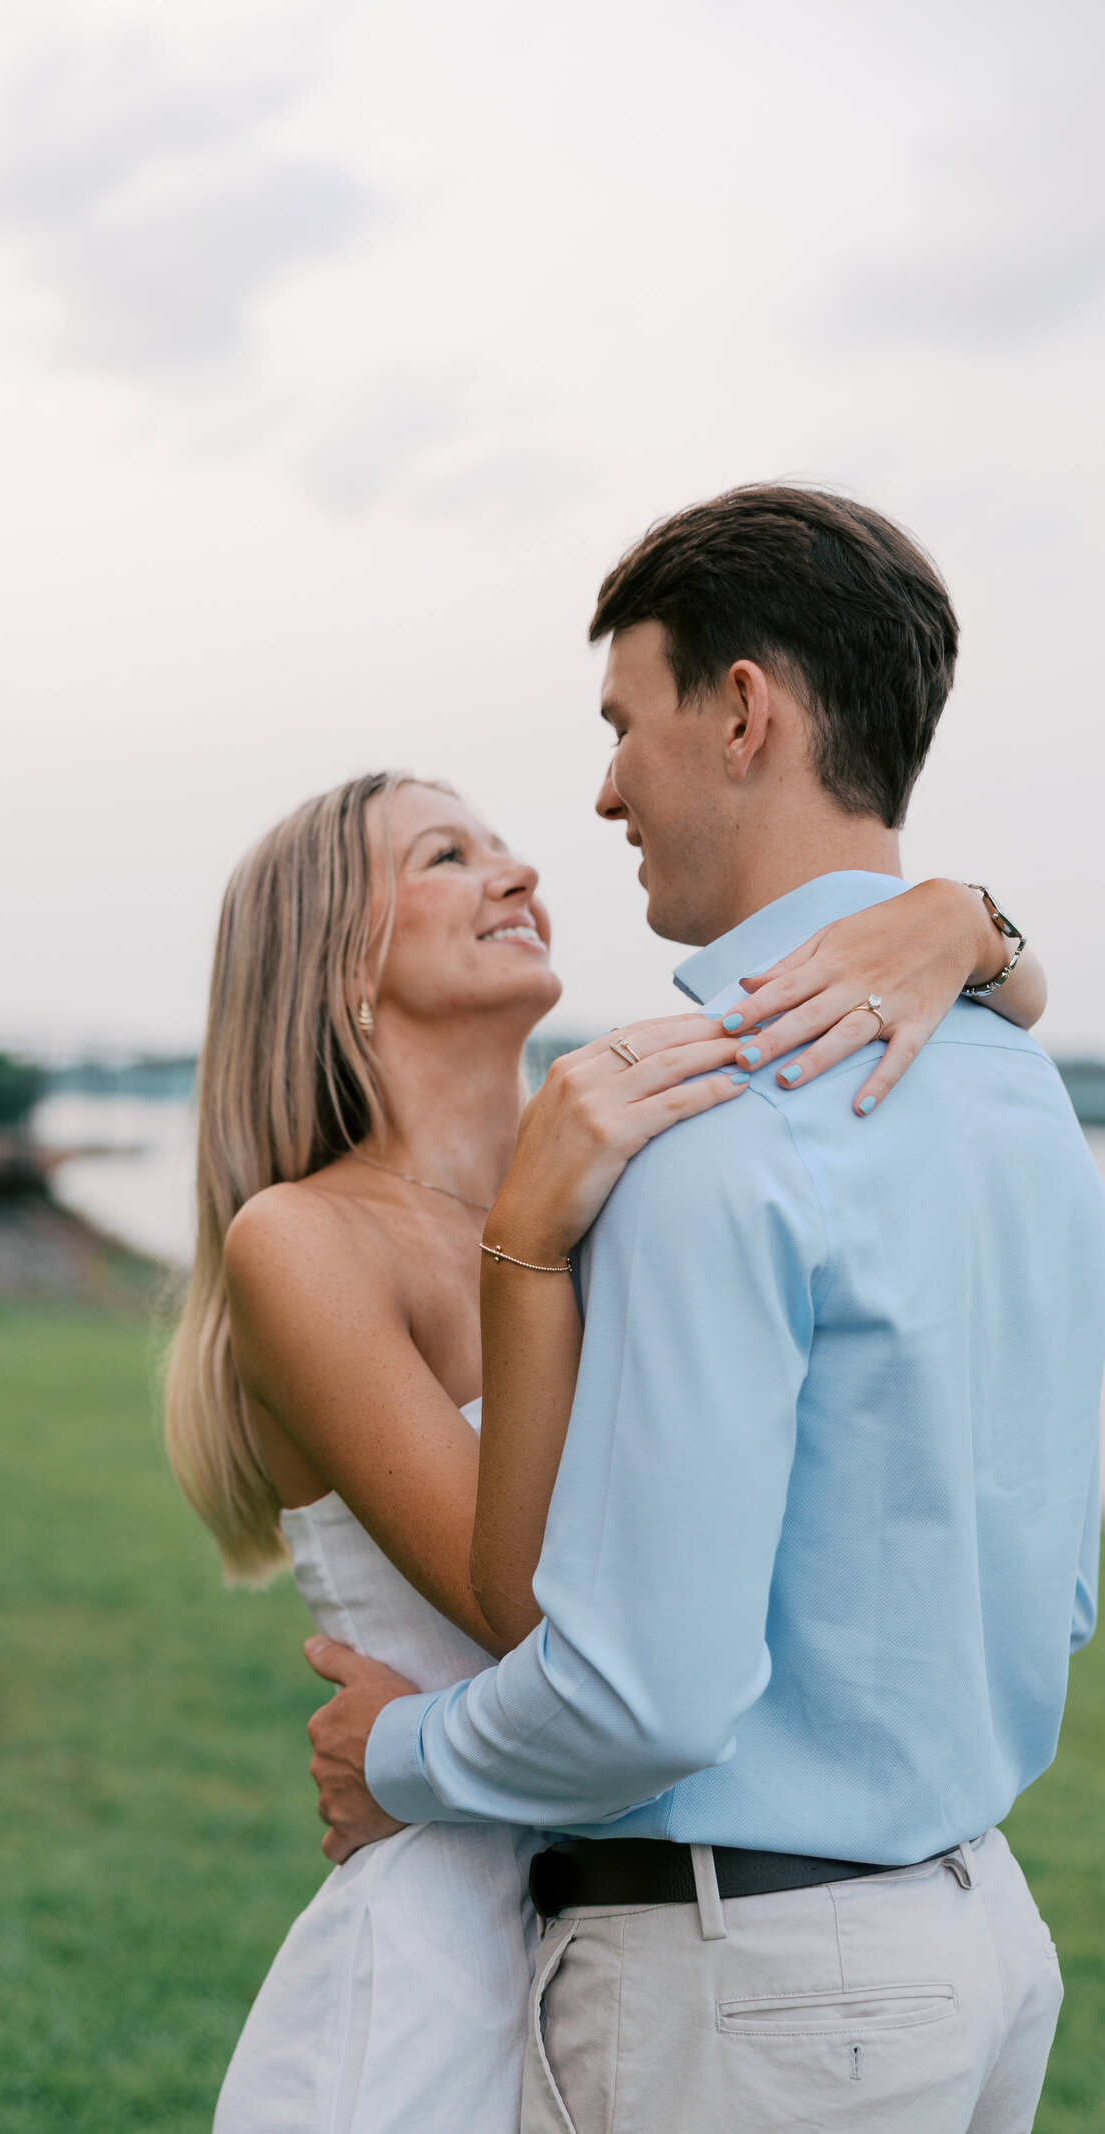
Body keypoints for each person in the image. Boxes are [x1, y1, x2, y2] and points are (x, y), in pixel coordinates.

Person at [305, 486, 1105, 2134]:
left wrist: (393, 1752)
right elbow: (1065, 1582)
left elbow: (644, 1695)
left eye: (623, 723)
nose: (604, 790)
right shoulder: (1026, 1092)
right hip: (981, 1941)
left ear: (743, 713)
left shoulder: (703, 1129)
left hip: (758, 2004)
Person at [165, 751, 1051, 2126]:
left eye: (499, 845)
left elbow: (956, 1005)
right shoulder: (302, 1240)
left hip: (649, 1903)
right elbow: (536, 1610)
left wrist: (963, 919)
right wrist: (526, 1243)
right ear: (337, 961)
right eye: (446, 856)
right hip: (458, 1928)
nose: (517, 870)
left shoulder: (625, 1156)